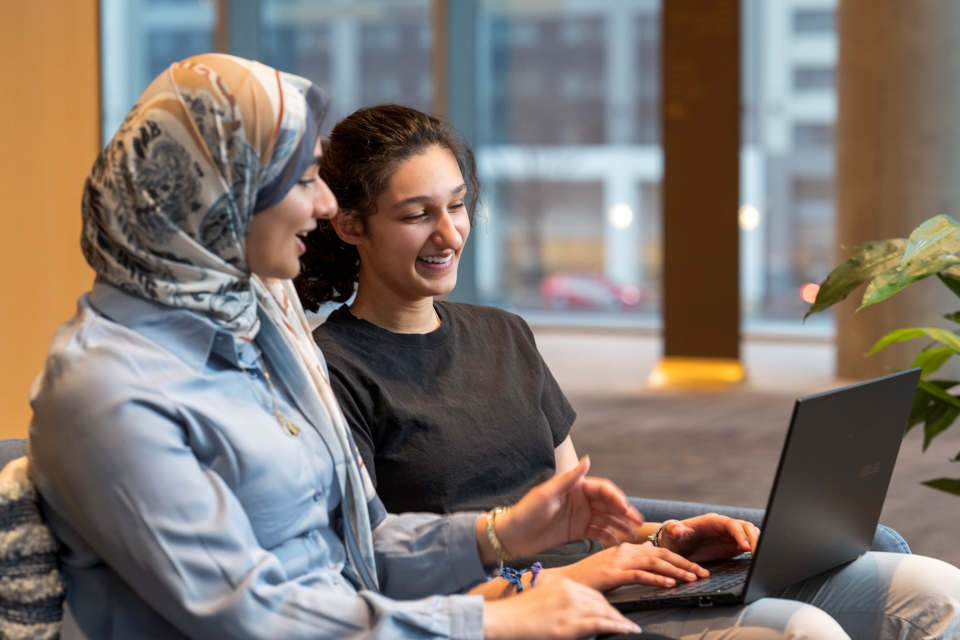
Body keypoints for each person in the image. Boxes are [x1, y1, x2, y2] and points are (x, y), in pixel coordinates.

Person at [25, 54, 666, 640]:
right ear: (223, 198)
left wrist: (504, 533)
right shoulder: (106, 392)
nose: (326, 204)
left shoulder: (262, 340)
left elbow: (359, 548)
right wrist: (493, 619)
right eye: (304, 180)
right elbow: (249, 616)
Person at [296, 104, 960, 639]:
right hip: (534, 608)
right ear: (351, 225)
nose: (449, 233)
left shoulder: (503, 333)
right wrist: (591, 573)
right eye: (417, 215)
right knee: (798, 631)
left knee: (937, 592)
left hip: (619, 575)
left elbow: (575, 505)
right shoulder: (334, 369)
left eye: (459, 204)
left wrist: (666, 536)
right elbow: (378, 571)